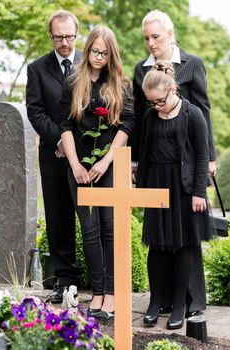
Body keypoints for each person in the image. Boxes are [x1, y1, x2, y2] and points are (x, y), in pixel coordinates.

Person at [132, 9, 216, 318]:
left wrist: (210, 158)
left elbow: (203, 112)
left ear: (170, 33)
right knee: (159, 242)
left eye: (155, 36)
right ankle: (161, 300)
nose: (150, 42)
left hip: (187, 163)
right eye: (146, 38)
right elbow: (141, 123)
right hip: (157, 169)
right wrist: (135, 161)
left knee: (186, 241)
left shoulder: (192, 64)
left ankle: (188, 303)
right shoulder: (141, 72)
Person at [59, 25, 134, 320]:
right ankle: (99, 293)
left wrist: (106, 162)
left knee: (109, 229)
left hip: (109, 166)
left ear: (111, 53)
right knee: (89, 232)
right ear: (87, 48)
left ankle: (113, 293)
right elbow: (65, 125)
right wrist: (76, 164)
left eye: (104, 52)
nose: (99, 57)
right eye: (94, 51)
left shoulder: (120, 84)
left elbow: (127, 125)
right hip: (79, 167)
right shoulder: (73, 82)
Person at [26, 10, 82, 303]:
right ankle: (65, 280)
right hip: (54, 157)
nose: (64, 42)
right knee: (59, 221)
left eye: (69, 36)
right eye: (59, 36)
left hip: (88, 158)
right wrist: (61, 139)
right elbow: (35, 111)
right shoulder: (37, 69)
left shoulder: (91, 62)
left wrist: (75, 142)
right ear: (51, 35)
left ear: (77, 33)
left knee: (92, 221)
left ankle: (100, 283)